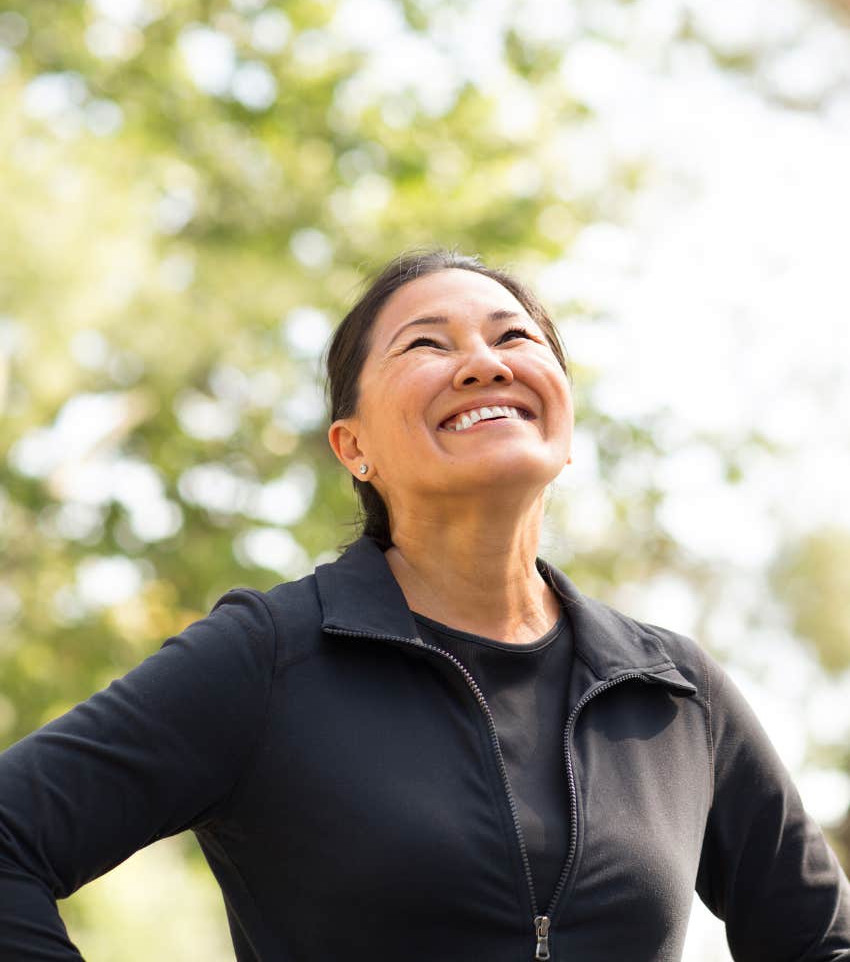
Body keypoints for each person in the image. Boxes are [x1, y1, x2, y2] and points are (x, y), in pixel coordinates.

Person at [0, 248, 848, 962]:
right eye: (425, 345)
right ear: (354, 446)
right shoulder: (269, 656)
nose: (485, 362)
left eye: (514, 335)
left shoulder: (674, 690)